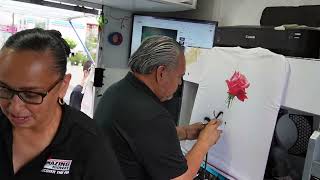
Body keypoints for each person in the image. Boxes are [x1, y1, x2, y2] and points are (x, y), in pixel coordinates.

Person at [0, 28, 124, 180]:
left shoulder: (90, 144)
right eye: (4, 88)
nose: (14, 107)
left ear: (63, 86)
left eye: (31, 94)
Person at [95, 36, 222, 179]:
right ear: (161, 73)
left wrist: (184, 132)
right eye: (179, 76)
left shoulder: (117, 91)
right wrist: (204, 143)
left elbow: (139, 138)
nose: (180, 83)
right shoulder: (152, 115)